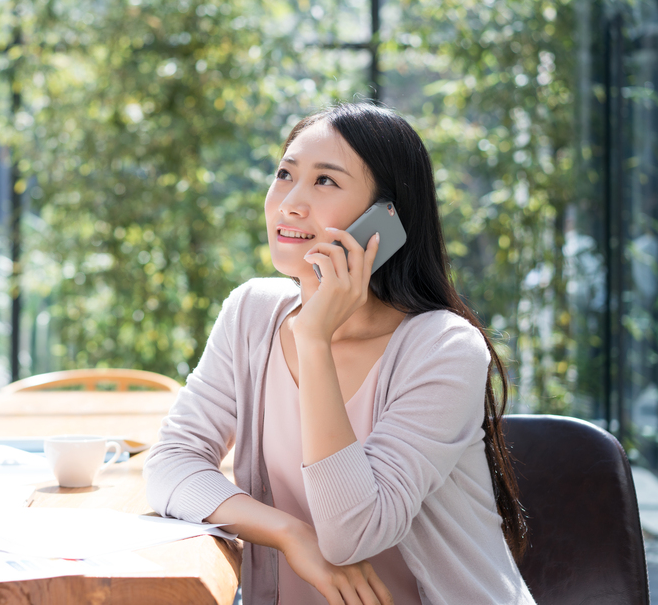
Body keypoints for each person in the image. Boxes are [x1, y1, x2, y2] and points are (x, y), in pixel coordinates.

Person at [143, 102, 535, 605]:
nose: (290, 203)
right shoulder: (251, 313)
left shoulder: (445, 348)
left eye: (325, 182)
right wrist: (288, 533)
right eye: (285, 174)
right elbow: (171, 464)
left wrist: (314, 339)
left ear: (385, 221)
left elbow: (353, 533)